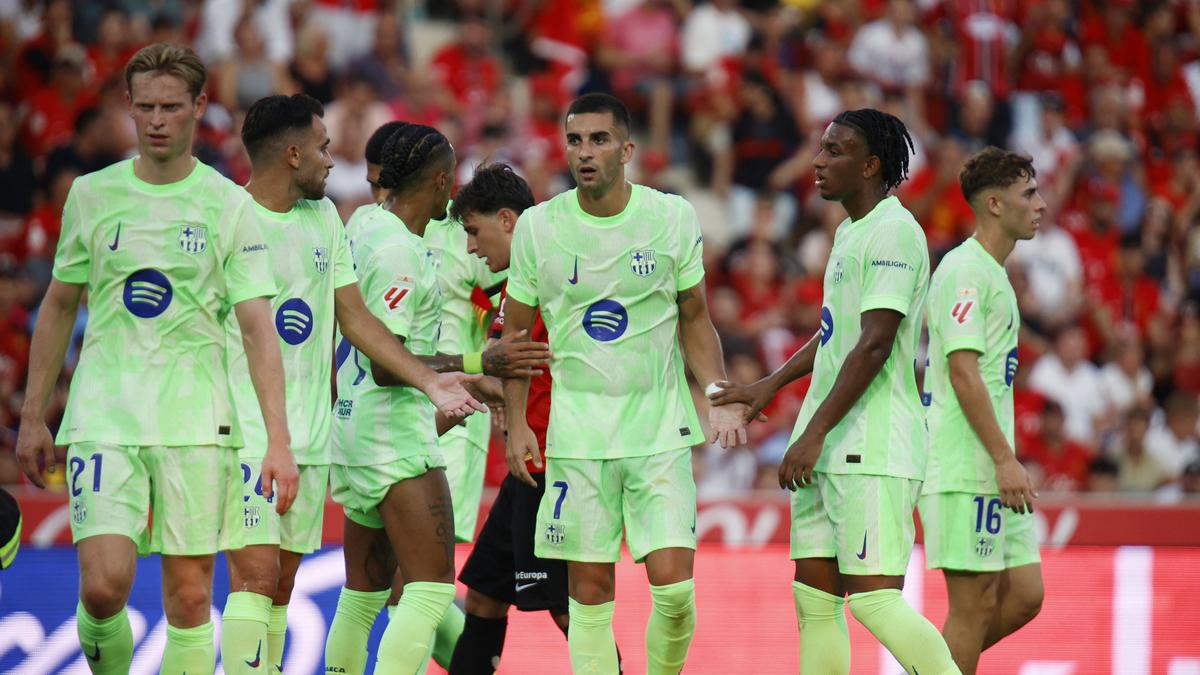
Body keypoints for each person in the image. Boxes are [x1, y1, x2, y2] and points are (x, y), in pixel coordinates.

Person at [14, 43, 299, 675]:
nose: (157, 120)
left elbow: (258, 330)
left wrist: (277, 441)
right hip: (105, 414)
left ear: (199, 106)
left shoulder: (229, 204)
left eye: (171, 106)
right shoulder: (92, 194)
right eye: (145, 107)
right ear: (128, 106)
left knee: (191, 598)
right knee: (102, 587)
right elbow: (59, 305)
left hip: (197, 422)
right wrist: (34, 416)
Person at [219, 94, 486, 674]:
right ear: (292, 153)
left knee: (298, 586)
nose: (330, 159)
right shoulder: (228, 215)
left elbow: (357, 320)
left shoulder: (338, 221)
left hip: (321, 432)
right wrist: (449, 373)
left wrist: (433, 377)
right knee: (419, 589)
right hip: (284, 428)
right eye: (322, 147)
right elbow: (382, 356)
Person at [502, 92, 752, 674]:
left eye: (599, 139)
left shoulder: (671, 217)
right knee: (589, 596)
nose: (584, 152)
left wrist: (718, 395)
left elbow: (695, 317)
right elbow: (514, 339)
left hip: (658, 429)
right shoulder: (538, 227)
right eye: (574, 140)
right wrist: (516, 425)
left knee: (675, 591)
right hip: (577, 437)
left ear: (627, 149)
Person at [710, 108, 959, 674]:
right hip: (829, 441)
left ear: (870, 165)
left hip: (872, 444)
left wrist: (813, 433)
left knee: (873, 601)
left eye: (834, 151)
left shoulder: (895, 231)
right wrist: (770, 385)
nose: (818, 161)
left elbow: (875, 344)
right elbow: (834, 334)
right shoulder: (850, 231)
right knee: (815, 601)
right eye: (820, 149)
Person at [323, 120, 548, 674]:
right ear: (443, 181)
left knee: (366, 592)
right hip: (400, 427)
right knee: (426, 590)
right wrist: (477, 364)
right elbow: (388, 363)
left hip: (355, 424)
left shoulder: (363, 224)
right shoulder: (403, 250)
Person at [918, 147, 1045, 674]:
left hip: (990, 465)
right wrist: (1003, 458)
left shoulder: (992, 273)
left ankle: (932, 668)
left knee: (1025, 595)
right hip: (964, 463)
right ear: (994, 204)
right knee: (972, 608)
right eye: (1028, 194)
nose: (1040, 204)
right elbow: (963, 373)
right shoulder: (965, 271)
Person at [447, 163, 575, 673]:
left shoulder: (549, 273)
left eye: (474, 231)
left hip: (549, 458)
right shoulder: (520, 282)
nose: (471, 248)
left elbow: (529, 366)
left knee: (567, 608)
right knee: (483, 597)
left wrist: (459, 376)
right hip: (528, 460)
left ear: (506, 220)